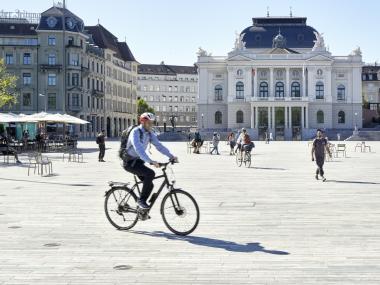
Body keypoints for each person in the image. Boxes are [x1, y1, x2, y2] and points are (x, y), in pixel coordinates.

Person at [122, 112, 177, 209]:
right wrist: (150, 161)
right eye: (149, 123)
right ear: (143, 122)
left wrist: (171, 156)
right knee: (150, 174)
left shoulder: (149, 133)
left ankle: (142, 210)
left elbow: (159, 146)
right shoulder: (135, 132)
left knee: (150, 185)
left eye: (152, 123)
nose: (151, 125)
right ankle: (141, 201)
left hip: (138, 162)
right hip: (129, 162)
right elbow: (138, 149)